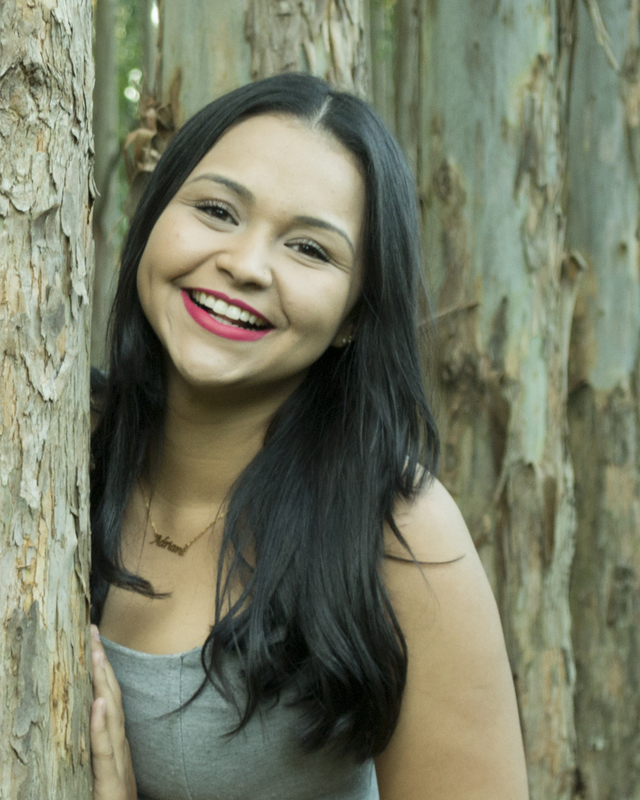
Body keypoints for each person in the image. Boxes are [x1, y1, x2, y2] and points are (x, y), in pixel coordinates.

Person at [88, 73, 529, 800]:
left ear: (354, 315)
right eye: (217, 210)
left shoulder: (399, 534)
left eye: (310, 250)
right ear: (155, 215)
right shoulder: (57, 448)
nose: (245, 265)